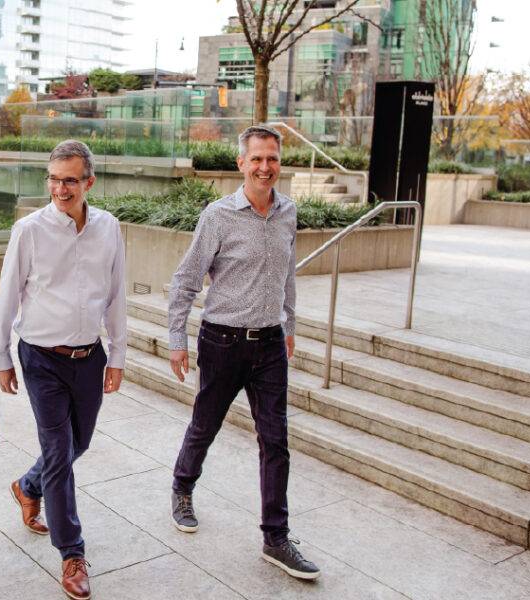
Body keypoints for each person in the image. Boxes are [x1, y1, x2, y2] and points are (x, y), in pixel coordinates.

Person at [167, 125, 320, 580]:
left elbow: (288, 274)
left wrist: (289, 324)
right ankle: (182, 487)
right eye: (256, 159)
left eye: (272, 158)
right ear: (241, 163)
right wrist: (177, 339)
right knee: (205, 425)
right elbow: (186, 279)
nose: (265, 167)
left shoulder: (288, 211)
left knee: (276, 442)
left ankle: (276, 537)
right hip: (223, 342)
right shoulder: (218, 216)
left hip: (270, 344)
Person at [0, 140, 127, 600]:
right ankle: (72, 552)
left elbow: (116, 295)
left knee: (77, 444)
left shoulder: (109, 227)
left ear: (90, 182)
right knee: (57, 449)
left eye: (70, 180)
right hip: (42, 358)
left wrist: (118, 356)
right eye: (53, 179)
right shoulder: (29, 230)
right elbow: (7, 294)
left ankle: (27, 486)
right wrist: (2, 357)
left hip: (89, 358)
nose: (60, 188)